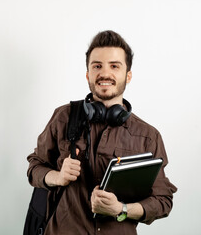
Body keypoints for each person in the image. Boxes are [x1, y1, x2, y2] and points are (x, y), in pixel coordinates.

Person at [27, 30, 177, 235]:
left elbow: (162, 201)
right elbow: (35, 167)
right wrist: (58, 177)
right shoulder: (63, 117)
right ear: (88, 74)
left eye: (115, 66)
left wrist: (121, 209)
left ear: (128, 75)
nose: (105, 73)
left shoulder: (148, 136)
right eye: (97, 66)